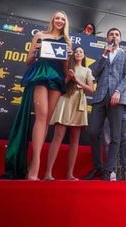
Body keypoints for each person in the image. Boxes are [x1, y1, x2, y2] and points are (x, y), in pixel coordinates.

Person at [5, 11, 71, 180]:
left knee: (46, 120)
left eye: (63, 19)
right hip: (40, 74)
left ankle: (34, 166)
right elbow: (28, 61)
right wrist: (35, 51)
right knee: (41, 117)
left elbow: (65, 70)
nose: (60, 21)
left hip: (56, 78)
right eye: (57, 18)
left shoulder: (66, 41)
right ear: (52, 20)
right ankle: (35, 165)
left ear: (65, 23)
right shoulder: (40, 35)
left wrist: (68, 59)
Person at [85, 27, 126, 181]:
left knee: (115, 136)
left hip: (117, 98)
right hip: (100, 97)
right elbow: (93, 73)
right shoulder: (103, 55)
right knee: (93, 132)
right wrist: (104, 55)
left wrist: (118, 91)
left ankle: (109, 169)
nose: (114, 36)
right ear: (107, 39)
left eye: (117, 34)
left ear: (120, 39)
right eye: (111, 34)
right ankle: (98, 166)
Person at [44, 47, 94, 180]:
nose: (78, 53)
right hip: (65, 100)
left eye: (81, 52)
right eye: (76, 52)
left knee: (75, 140)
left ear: (84, 55)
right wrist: (68, 77)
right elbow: (59, 85)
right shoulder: (66, 67)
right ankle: (48, 173)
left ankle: (70, 174)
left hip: (79, 103)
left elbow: (91, 89)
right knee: (57, 136)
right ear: (73, 55)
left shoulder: (87, 70)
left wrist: (77, 80)